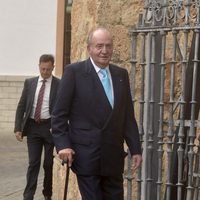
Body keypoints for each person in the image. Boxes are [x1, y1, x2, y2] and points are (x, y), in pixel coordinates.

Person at [51, 27, 142, 200]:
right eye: (99, 46)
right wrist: (63, 144)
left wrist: (135, 148)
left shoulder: (121, 74)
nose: (104, 51)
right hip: (87, 156)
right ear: (89, 48)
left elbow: (127, 117)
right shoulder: (74, 72)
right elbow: (59, 115)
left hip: (113, 156)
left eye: (108, 46)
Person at [14, 54, 60, 200]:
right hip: (33, 127)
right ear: (39, 66)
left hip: (50, 128)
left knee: (48, 163)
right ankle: (28, 195)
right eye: (42, 69)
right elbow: (21, 106)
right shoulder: (30, 83)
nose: (45, 72)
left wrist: (59, 126)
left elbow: (63, 108)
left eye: (48, 69)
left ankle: (47, 193)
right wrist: (18, 128)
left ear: (53, 67)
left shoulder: (59, 84)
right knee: (33, 163)